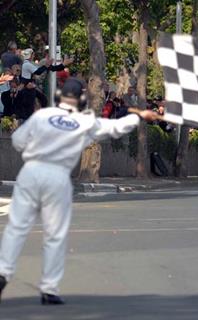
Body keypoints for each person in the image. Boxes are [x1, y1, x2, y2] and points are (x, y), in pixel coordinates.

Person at [0, 78, 157, 305]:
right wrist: (139, 116)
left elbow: (17, 139)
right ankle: (49, 289)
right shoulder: (85, 122)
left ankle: (3, 272)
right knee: (55, 233)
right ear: (81, 100)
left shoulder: (42, 116)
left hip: (31, 171)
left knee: (17, 226)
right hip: (58, 176)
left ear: (59, 96)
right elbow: (115, 128)